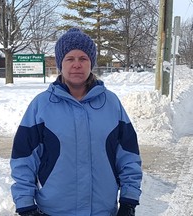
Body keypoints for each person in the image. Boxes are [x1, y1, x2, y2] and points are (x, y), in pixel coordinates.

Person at [10, 28, 142, 216]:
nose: (77, 64)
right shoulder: (41, 105)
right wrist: (25, 204)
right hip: (53, 210)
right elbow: (23, 158)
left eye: (83, 58)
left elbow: (128, 155)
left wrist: (129, 200)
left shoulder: (112, 104)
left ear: (91, 64)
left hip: (102, 210)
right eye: (70, 59)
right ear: (60, 64)